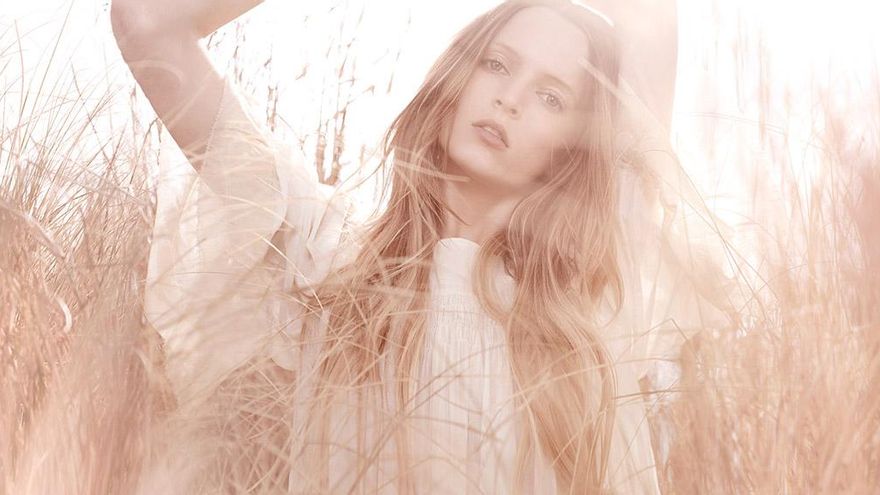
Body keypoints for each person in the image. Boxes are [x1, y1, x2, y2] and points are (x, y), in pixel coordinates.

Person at [112, 0, 735, 493]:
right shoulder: (324, 255)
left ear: (576, 147)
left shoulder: (596, 295)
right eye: (496, 64)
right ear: (456, 77)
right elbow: (148, 21)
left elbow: (651, 18)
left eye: (551, 97)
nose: (510, 99)